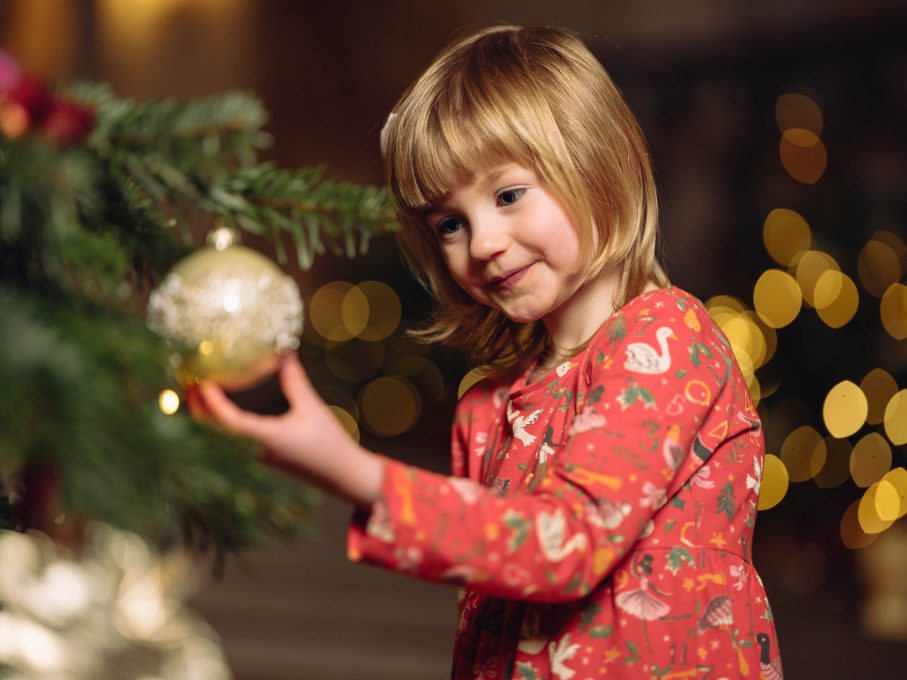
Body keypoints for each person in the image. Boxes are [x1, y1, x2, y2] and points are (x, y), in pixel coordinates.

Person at [192, 25, 783, 679]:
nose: (481, 243)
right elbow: (497, 586)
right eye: (449, 222)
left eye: (507, 196)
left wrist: (353, 471)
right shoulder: (489, 405)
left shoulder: (664, 341)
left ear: (596, 160)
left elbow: (567, 546)